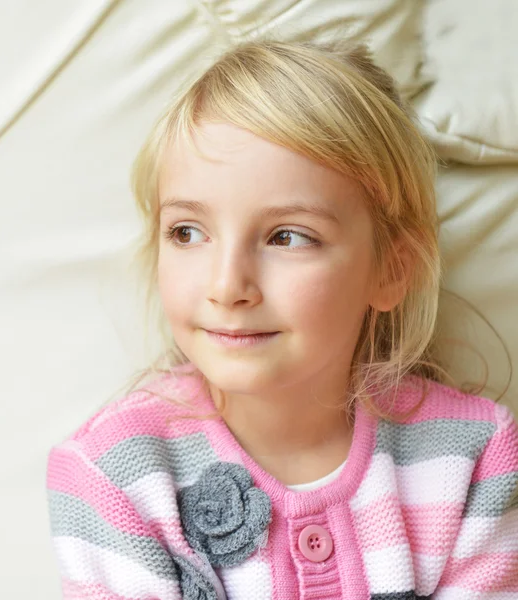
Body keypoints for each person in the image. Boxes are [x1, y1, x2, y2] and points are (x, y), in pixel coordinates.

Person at [46, 38, 518, 599]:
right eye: (187, 232)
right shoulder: (112, 476)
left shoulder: (476, 457)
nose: (227, 286)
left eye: (287, 237)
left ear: (392, 270)